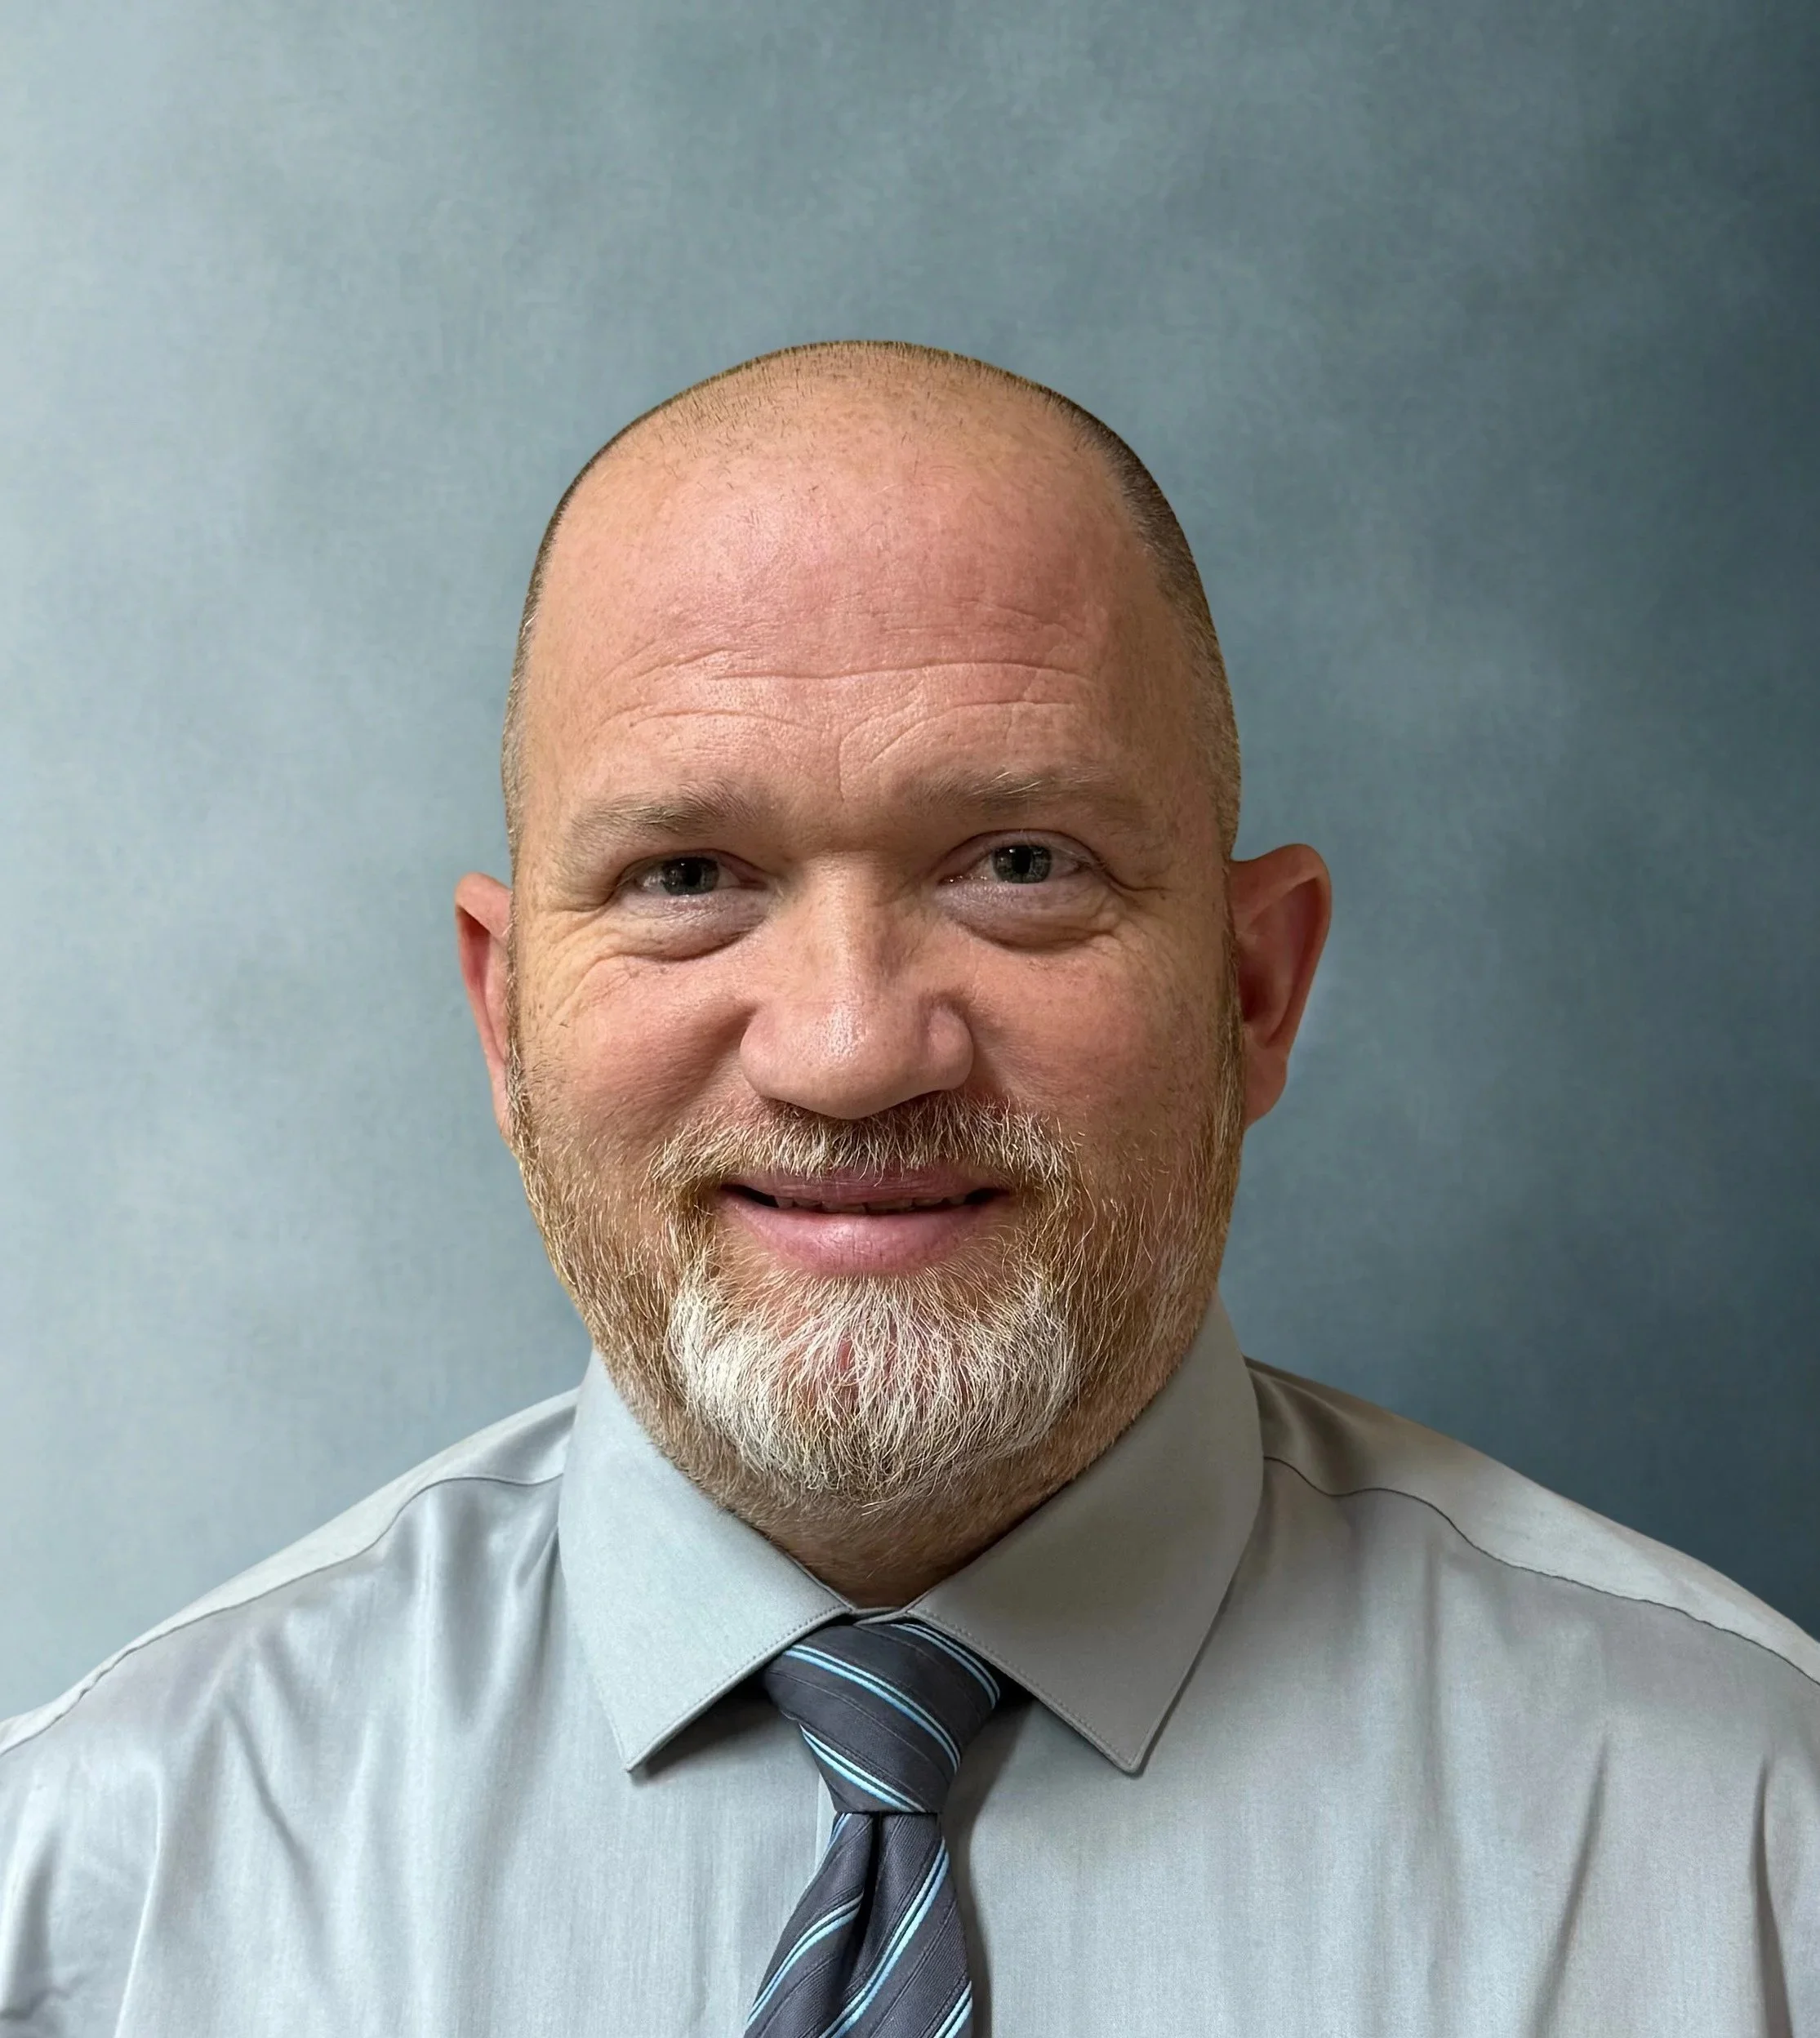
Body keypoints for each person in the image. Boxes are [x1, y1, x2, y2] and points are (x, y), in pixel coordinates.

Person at [2, 342, 1814, 2036]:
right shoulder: (105, 1887)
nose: (854, 1049)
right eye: (689, 873)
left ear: (1254, 990)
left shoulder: (1745, 1845)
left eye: (1018, 864)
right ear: (505, 1020)